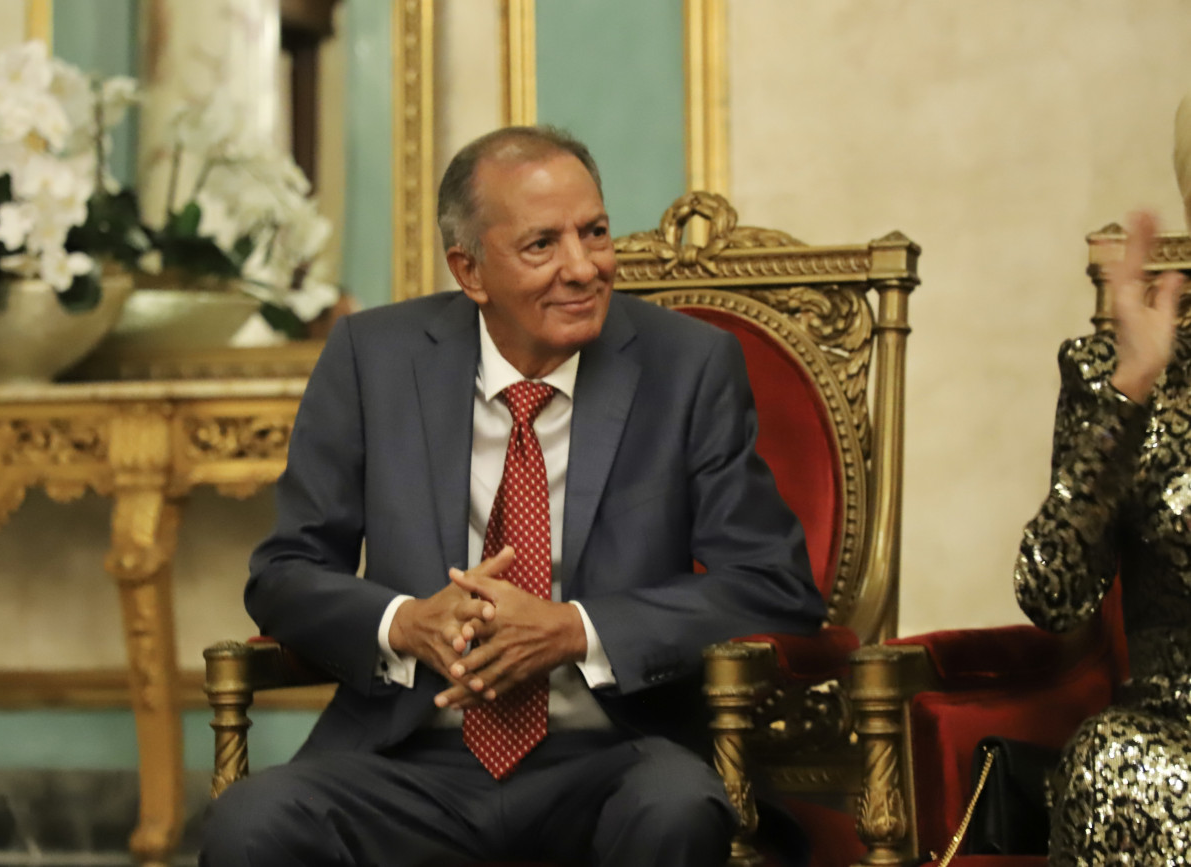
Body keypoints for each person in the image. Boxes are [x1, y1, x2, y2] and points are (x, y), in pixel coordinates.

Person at [200, 125, 825, 867]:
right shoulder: (373, 359)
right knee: (254, 824)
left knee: (675, 807)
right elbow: (284, 574)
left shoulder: (687, 366)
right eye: (542, 245)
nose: (583, 267)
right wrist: (406, 623)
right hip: (410, 759)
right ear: (469, 270)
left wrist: (576, 629)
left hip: (613, 756)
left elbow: (773, 586)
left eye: (594, 232)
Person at [1014, 211, 1190, 865]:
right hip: (1169, 734)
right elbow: (1050, 590)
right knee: (1112, 762)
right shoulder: (1120, 372)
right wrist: (1128, 395)